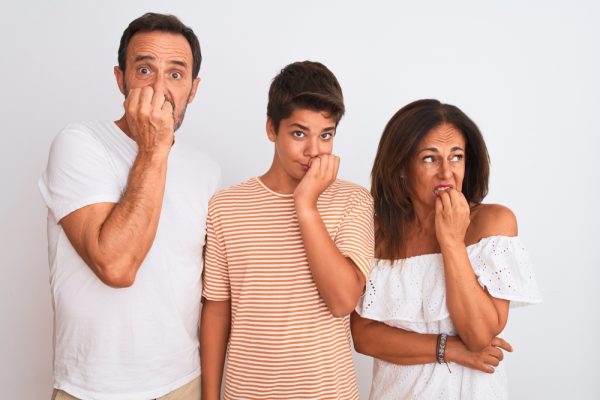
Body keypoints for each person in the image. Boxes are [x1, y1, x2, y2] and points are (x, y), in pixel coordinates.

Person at [38, 13, 220, 400]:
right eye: (144, 69)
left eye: (175, 74)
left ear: (193, 88)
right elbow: (116, 266)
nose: (159, 88)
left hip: (182, 383)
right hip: (91, 387)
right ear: (120, 78)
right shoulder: (78, 143)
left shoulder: (206, 169)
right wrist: (153, 149)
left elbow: (208, 293)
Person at [200, 61, 374, 400]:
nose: (314, 150)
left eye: (326, 135)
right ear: (271, 128)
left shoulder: (353, 201)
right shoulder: (226, 206)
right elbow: (217, 310)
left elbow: (342, 301)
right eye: (299, 133)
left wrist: (306, 205)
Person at [351, 99, 541, 399]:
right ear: (400, 167)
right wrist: (451, 349)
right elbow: (365, 337)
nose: (447, 173)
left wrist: (452, 241)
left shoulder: (494, 222)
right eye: (430, 158)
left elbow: (479, 336)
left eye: (456, 157)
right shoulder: (375, 232)